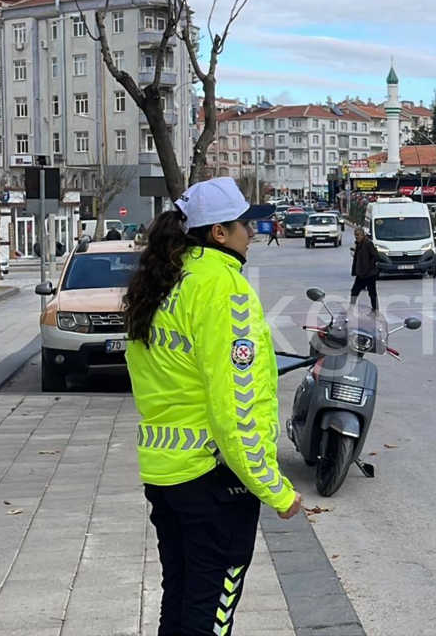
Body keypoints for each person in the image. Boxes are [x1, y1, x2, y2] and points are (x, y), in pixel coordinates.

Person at [123, 177, 302, 636]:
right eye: (245, 224)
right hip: (214, 479)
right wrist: (275, 489)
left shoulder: (164, 282)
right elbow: (235, 406)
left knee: (181, 598)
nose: (253, 233)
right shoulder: (224, 289)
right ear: (219, 233)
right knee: (209, 615)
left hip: (165, 472)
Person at [350, 227, 380, 311]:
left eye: (358, 235)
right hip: (361, 273)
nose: (356, 237)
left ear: (363, 235)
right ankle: (351, 307)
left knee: (372, 292)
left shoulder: (368, 243)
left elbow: (376, 256)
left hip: (369, 274)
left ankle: (375, 308)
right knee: (354, 291)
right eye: (355, 235)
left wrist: (369, 267)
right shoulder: (358, 244)